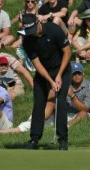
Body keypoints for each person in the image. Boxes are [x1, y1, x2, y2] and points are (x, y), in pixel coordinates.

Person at [20, 13, 72, 150]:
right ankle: (34, 139)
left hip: (62, 68)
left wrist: (59, 75)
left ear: (38, 22)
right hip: (44, 72)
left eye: (33, 29)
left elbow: (67, 52)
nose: (32, 33)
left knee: (60, 102)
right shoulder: (27, 41)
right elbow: (37, 64)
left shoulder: (53, 29)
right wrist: (50, 80)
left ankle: (63, 140)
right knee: (39, 103)